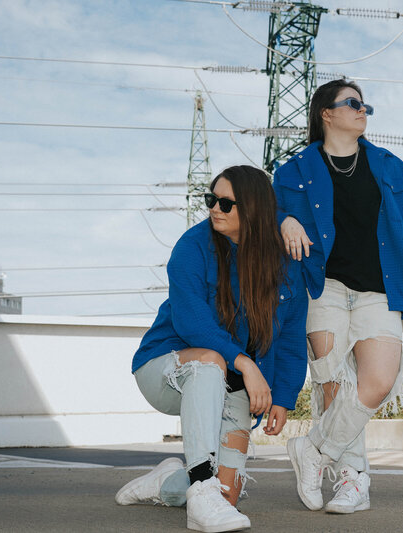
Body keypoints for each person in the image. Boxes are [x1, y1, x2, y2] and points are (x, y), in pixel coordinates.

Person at [272, 80, 403, 514]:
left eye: (364, 103)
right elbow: (269, 210)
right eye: (352, 103)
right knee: (334, 386)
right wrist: (285, 221)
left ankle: (314, 451)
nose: (362, 109)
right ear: (325, 114)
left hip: (379, 289)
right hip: (322, 287)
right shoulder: (293, 171)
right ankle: (354, 484)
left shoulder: (391, 168)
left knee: (378, 380)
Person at [115, 165, 308, 532]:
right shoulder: (193, 246)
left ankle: (169, 481)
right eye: (210, 199)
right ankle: (200, 486)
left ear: (252, 209)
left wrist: (283, 397)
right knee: (211, 361)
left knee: (227, 497)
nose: (214, 208)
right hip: (166, 369)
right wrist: (246, 365)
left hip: (229, 383)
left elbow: (292, 337)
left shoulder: (284, 265)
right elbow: (192, 322)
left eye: (225, 203)